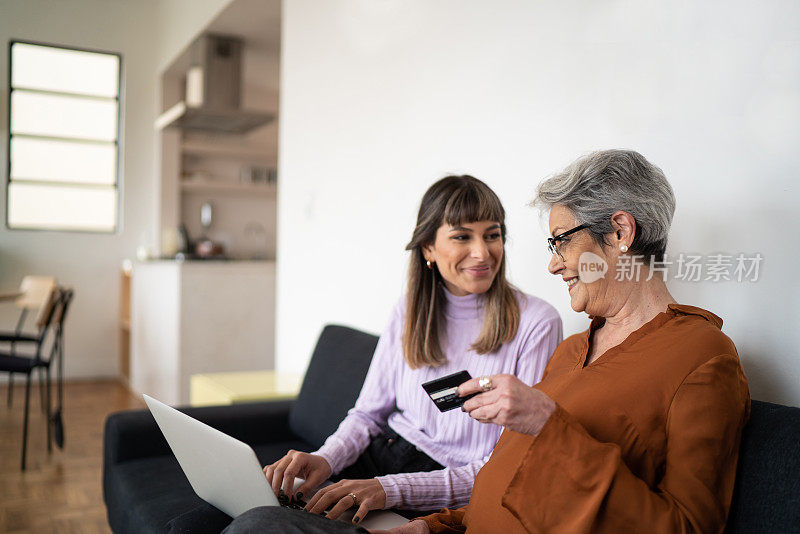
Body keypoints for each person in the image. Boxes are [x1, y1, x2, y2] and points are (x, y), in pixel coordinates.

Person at [381, 149, 750, 533]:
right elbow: (508, 487)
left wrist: (547, 423)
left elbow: (689, 527)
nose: (553, 264)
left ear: (621, 232)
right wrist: (432, 527)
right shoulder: (571, 350)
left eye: (561, 241)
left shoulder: (703, 356)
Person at [260, 175, 563, 526]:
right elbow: (367, 415)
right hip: (380, 455)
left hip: (437, 489)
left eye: (492, 235)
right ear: (428, 249)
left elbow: (503, 467)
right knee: (234, 512)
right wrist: (325, 459)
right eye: (462, 236)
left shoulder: (537, 323)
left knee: (263, 527)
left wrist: (388, 490)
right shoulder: (408, 310)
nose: (482, 252)